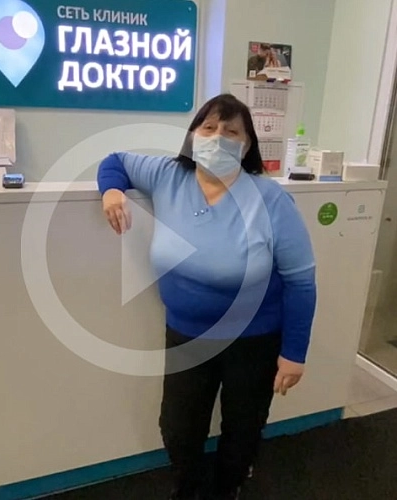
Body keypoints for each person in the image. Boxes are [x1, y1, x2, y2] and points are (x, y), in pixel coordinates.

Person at [97, 94, 316, 500]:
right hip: (186, 334)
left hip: (253, 339)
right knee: (178, 428)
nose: (217, 138)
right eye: (209, 128)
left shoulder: (270, 200)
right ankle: (190, 487)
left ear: (247, 146)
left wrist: (294, 352)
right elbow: (115, 161)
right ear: (193, 136)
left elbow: (301, 281)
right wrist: (111, 191)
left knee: (243, 430)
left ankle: (228, 488)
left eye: (231, 132)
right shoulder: (168, 176)